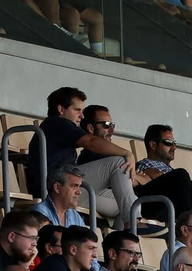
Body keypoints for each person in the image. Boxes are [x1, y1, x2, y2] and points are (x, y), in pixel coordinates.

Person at [31, 88, 137, 223]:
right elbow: (90, 141)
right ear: (61, 109)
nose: (81, 116)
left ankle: (124, 239)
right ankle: (132, 223)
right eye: (77, 110)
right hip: (55, 186)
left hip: (70, 186)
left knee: (130, 204)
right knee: (118, 162)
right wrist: (127, 153)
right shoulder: (56, 123)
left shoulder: (58, 125)